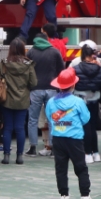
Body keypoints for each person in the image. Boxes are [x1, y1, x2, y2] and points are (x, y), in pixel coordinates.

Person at [46, 67, 95, 199]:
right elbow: (86, 119)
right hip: (75, 140)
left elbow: (50, 118)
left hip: (58, 139)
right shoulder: (78, 102)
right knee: (81, 168)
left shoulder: (51, 102)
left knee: (61, 169)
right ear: (73, 85)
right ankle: (85, 198)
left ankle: (64, 197)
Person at [0, 38, 37, 165]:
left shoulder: (5, 63)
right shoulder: (28, 64)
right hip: (23, 100)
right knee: (20, 128)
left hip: (7, 99)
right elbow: (34, 82)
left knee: (7, 127)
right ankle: (19, 156)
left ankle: (6, 155)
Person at [26, 23, 65, 156]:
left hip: (35, 89)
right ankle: (53, 147)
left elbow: (27, 71)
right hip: (52, 89)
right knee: (52, 119)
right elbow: (61, 70)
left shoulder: (31, 52)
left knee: (33, 119)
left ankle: (32, 148)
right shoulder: (54, 51)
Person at [73, 44, 101, 164]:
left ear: (82, 55)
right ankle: (96, 153)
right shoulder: (99, 69)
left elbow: (72, 85)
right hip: (95, 100)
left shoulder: (76, 69)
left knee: (85, 127)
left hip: (80, 101)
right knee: (92, 127)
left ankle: (87, 153)